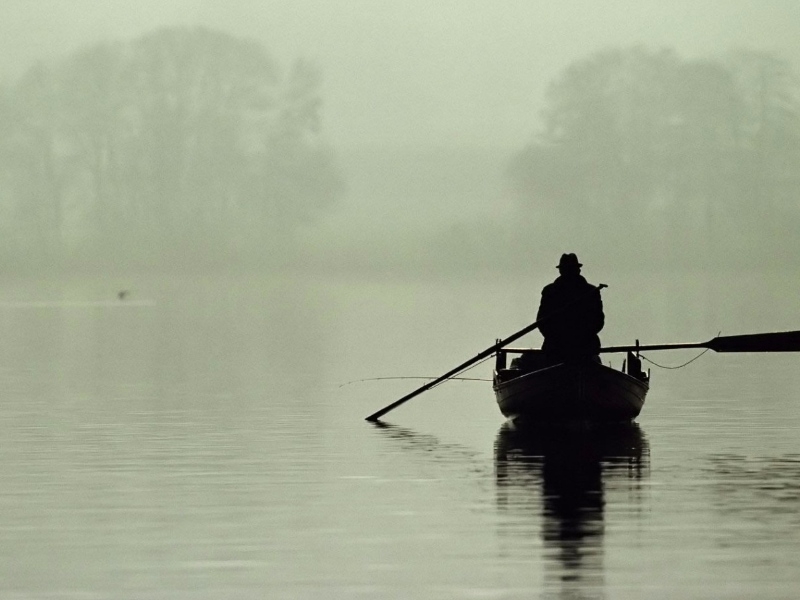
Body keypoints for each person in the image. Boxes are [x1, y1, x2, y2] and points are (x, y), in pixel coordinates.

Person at [536, 253, 604, 363]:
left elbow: (598, 321)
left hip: (582, 348)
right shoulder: (550, 292)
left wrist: (577, 337)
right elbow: (542, 321)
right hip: (560, 348)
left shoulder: (591, 292)